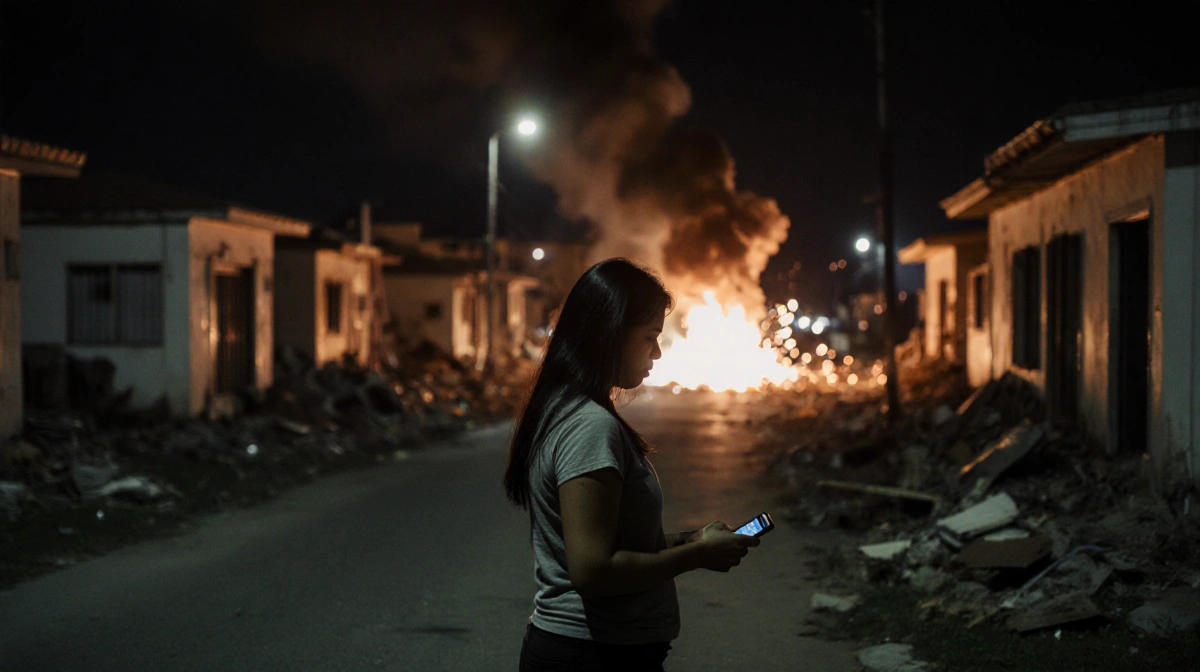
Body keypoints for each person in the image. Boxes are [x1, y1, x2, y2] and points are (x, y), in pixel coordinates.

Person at [503, 258, 760, 671]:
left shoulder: (564, 408)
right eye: (649, 337)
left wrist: (691, 539)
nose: (657, 352)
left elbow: (615, 541)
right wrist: (696, 557)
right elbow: (594, 571)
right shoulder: (588, 426)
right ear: (610, 335)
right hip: (594, 655)